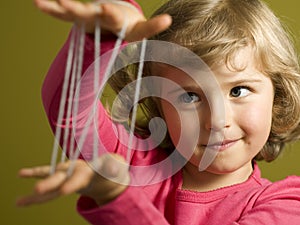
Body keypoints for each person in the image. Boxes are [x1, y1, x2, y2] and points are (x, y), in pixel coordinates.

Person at [17, 0, 300, 224]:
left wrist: (117, 197)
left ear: (278, 97)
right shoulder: (130, 164)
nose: (218, 120)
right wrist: (103, 37)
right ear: (158, 107)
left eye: (238, 91)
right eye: (190, 96)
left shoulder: (287, 204)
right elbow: (69, 112)